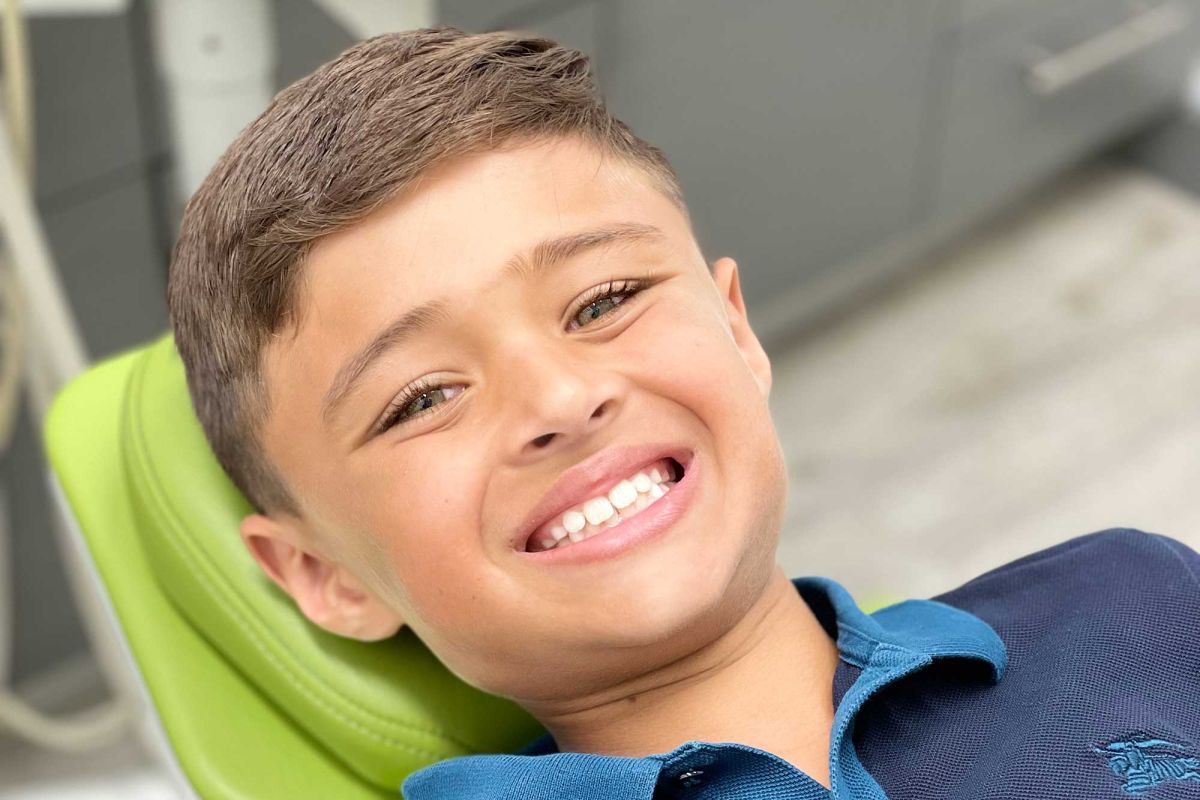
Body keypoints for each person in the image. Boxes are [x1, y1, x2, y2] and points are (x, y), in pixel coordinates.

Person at [165, 27, 1200, 799]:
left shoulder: (1131, 594)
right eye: (423, 398)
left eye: (604, 300)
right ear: (321, 573)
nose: (563, 400)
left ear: (739, 332)